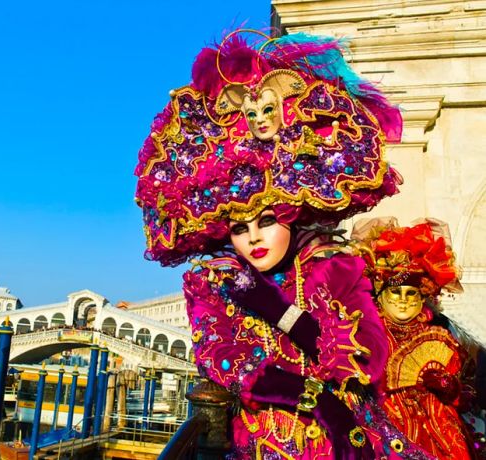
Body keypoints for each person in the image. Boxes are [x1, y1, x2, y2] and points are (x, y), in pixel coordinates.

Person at [134, 30, 431, 459]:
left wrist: (280, 311)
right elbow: (227, 361)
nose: (253, 237)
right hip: (265, 444)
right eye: (239, 228)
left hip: (350, 440)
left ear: (293, 214)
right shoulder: (216, 282)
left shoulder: (332, 266)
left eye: (268, 220)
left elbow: (367, 361)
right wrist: (316, 398)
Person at [352, 217, 483, 459]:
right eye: (395, 292)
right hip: (384, 425)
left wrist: (448, 386)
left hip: (439, 428)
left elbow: (468, 392)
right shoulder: (365, 334)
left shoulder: (443, 334)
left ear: (423, 297)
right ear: (379, 296)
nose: (403, 300)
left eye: (411, 293)